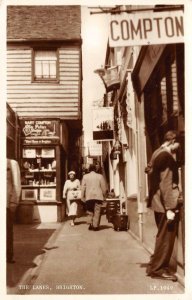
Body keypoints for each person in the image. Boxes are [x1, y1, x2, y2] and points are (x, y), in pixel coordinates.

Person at [146, 130, 181, 282]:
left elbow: (149, 171)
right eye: (179, 145)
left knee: (161, 236)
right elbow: (166, 183)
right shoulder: (166, 157)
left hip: (156, 201)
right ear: (173, 142)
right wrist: (170, 209)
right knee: (165, 238)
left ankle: (153, 265)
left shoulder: (156, 153)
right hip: (164, 203)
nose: (179, 149)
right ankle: (158, 269)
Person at [81, 164, 107, 231]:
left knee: (90, 211)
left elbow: (83, 188)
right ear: (95, 169)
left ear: (89, 169)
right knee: (97, 211)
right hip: (98, 197)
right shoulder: (100, 176)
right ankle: (95, 226)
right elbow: (104, 188)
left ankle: (90, 224)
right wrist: (104, 196)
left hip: (89, 197)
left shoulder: (85, 177)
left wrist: (82, 197)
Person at [7, 158, 21, 263]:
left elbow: (16, 184)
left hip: (6, 204)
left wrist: (13, 202)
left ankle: (8, 255)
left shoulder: (11, 163)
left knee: (7, 232)